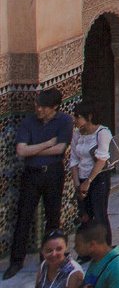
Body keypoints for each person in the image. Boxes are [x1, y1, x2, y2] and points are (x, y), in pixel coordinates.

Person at [6, 89, 72, 279]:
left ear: (54, 108)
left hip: (53, 173)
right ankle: (16, 261)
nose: (39, 109)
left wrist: (34, 149)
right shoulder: (29, 122)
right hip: (31, 175)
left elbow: (60, 148)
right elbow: (21, 151)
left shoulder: (64, 121)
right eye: (38, 105)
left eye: (43, 107)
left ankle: (50, 261)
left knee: (53, 217)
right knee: (24, 216)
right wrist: (46, 144)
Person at [66, 107, 113, 235]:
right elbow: (74, 160)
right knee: (85, 217)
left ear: (89, 117)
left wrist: (88, 182)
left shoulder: (102, 133)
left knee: (99, 215)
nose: (75, 120)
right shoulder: (77, 135)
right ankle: (86, 252)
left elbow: (101, 160)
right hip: (81, 178)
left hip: (98, 178)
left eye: (78, 117)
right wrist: (77, 185)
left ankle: (105, 249)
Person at [69, 224, 119, 288]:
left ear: (92, 245)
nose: (75, 248)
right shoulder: (96, 259)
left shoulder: (118, 266)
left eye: (78, 245)